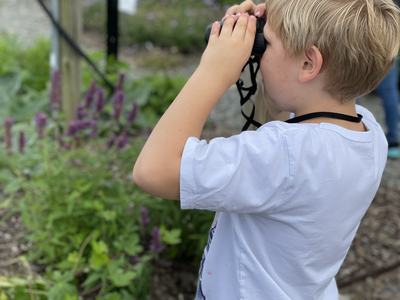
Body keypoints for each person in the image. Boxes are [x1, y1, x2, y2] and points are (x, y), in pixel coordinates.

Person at [133, 0, 400, 299]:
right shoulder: (368, 131)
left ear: (309, 63)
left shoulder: (284, 154)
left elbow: (153, 171)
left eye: (266, 43)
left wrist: (213, 71)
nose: (257, 51)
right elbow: (275, 124)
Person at [375, 63, 400, 158]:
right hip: (386, 50)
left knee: (354, 91)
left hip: (359, 50)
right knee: (389, 91)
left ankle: (355, 136)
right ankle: (393, 141)